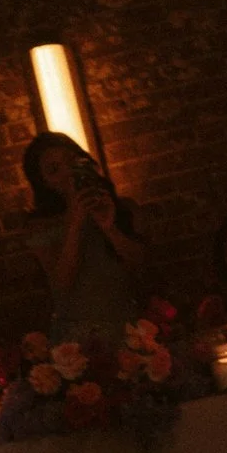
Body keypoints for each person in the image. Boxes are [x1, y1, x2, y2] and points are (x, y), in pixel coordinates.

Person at [21, 135, 147, 342]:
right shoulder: (40, 227)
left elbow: (141, 265)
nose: (68, 173)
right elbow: (61, 284)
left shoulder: (123, 208)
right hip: (80, 339)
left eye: (72, 162)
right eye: (54, 170)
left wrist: (110, 228)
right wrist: (75, 222)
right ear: (42, 182)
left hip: (131, 328)